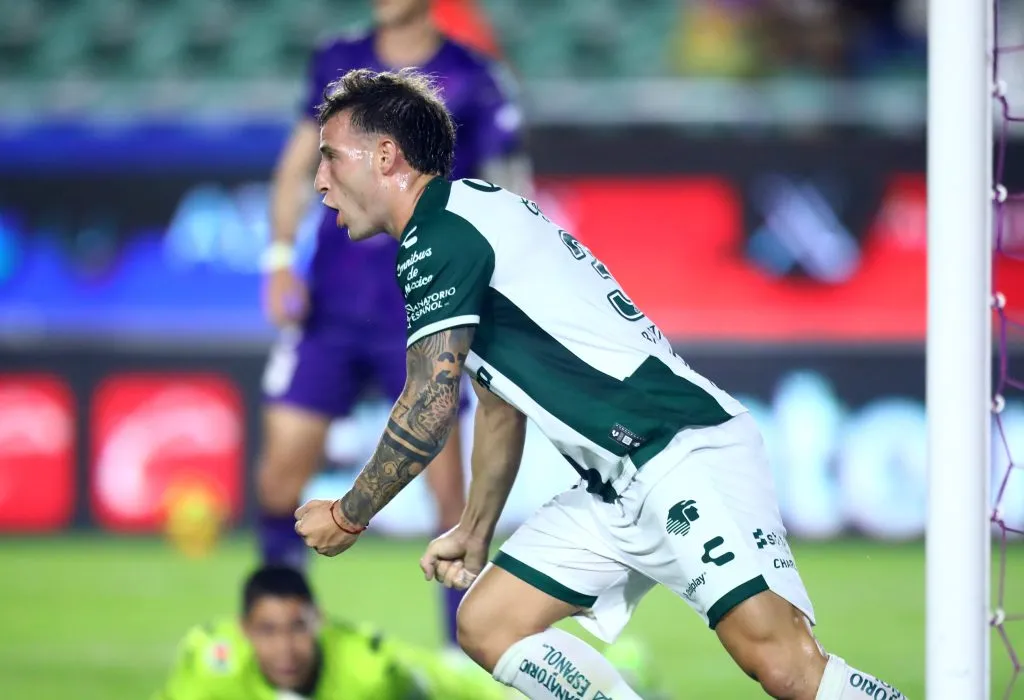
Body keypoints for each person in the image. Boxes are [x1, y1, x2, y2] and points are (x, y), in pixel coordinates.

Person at [293, 68, 907, 700]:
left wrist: (349, 512)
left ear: (385, 155)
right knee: (488, 623)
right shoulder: (466, 216)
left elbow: (428, 403)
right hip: (617, 485)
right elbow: (500, 404)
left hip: (676, 451)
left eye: (331, 158)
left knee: (785, 666)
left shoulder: (441, 233)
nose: (319, 181)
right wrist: (476, 528)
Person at [256, 0, 531, 654]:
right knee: (277, 479)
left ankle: (458, 657)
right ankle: (281, 644)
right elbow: (296, 163)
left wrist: (506, 277)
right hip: (331, 303)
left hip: (421, 306)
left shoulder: (472, 77)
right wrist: (278, 257)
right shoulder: (335, 62)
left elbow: (510, 186)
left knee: (448, 497)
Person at [153, 564, 510, 700]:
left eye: (297, 628)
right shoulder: (210, 664)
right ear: (243, 629)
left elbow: (446, 690)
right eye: (268, 631)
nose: (285, 649)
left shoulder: (370, 675)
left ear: (318, 621)